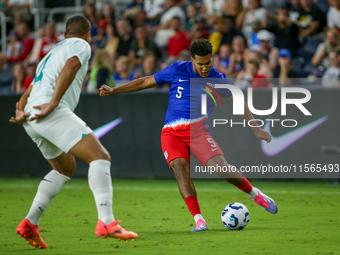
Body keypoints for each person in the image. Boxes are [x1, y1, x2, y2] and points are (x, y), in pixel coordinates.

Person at [99, 38, 278, 232]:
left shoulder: (218, 78)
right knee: (180, 168)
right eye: (200, 64)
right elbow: (146, 81)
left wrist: (255, 128)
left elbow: (237, 100)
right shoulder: (177, 69)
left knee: (221, 168)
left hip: (198, 132)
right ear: (192, 60)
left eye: (208, 63)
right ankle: (199, 220)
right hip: (171, 133)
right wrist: (115, 90)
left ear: (212, 59)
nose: (204, 68)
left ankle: (255, 194)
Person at [10, 15, 138, 249]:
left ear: (64, 34)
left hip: (30, 117)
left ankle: (30, 222)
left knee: (65, 168)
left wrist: (20, 110)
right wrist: (53, 102)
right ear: (87, 34)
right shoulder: (81, 45)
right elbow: (72, 66)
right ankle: (107, 222)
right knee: (100, 157)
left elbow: (30, 87)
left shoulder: (49, 55)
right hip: (49, 110)